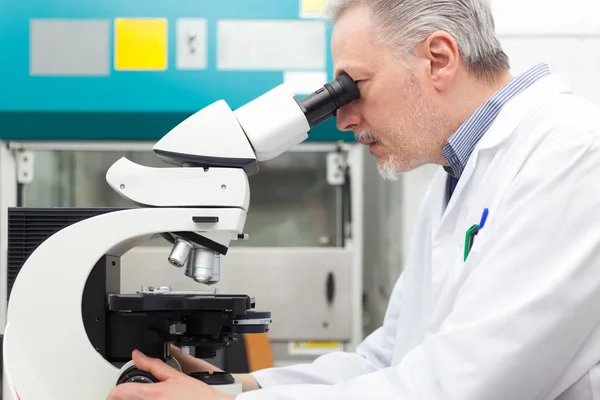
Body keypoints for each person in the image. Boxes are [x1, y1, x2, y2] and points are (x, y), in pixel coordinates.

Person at [107, 0, 600, 399]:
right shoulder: (454, 177)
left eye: (353, 87)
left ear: (439, 59)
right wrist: (237, 384)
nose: (344, 119)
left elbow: (464, 384)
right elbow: (386, 360)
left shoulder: (573, 152)